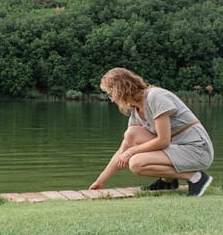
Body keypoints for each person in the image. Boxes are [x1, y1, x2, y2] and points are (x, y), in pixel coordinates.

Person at [89, 67, 214, 197]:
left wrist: (131, 152)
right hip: (178, 147)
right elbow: (122, 149)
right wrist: (100, 181)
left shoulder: (155, 97)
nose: (112, 99)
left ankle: (196, 178)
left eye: (110, 93)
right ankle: (167, 180)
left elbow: (163, 141)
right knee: (131, 134)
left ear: (120, 89)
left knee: (136, 163)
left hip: (198, 149)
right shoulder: (136, 111)